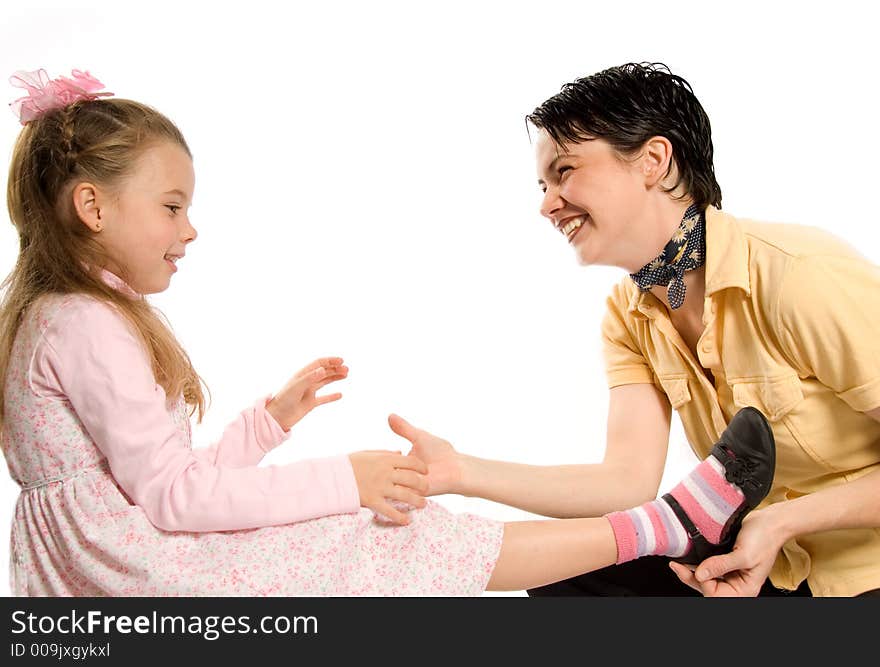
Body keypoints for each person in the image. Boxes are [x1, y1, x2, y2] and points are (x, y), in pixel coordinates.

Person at [0, 68, 775, 597]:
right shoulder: (86, 324)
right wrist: (347, 478)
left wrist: (267, 422)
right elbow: (172, 498)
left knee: (386, 533)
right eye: (172, 206)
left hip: (117, 560)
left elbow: (152, 481)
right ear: (93, 208)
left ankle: (661, 526)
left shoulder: (65, 317)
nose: (190, 228)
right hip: (135, 575)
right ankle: (666, 527)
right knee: (391, 537)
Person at [389, 62, 880, 597]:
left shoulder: (798, 275)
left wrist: (787, 521)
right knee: (567, 573)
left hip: (859, 573)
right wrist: (461, 471)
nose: (547, 204)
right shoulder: (629, 315)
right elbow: (625, 482)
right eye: (543, 183)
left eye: (565, 172)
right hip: (763, 566)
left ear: (653, 160)